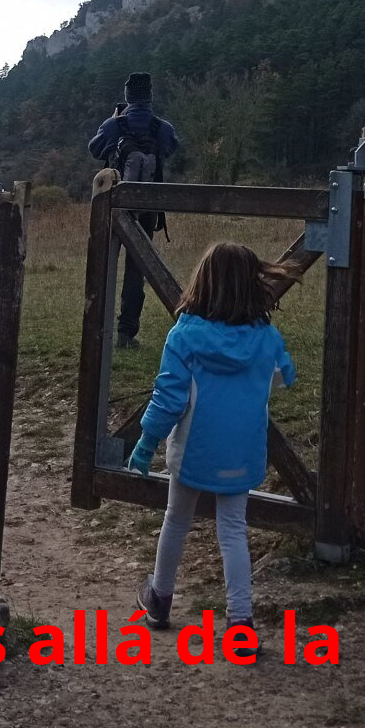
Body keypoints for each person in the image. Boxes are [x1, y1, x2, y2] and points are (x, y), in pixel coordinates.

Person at [127, 242, 298, 657]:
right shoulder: (267, 339)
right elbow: (285, 377)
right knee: (233, 531)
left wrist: (147, 442)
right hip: (241, 454)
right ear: (251, 286)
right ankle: (240, 624)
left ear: (203, 283)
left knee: (177, 519)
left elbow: (167, 399)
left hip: (192, 452)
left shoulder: (184, 336)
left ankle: (160, 598)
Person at [87, 72, 179, 348]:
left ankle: (96, 329)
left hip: (115, 204)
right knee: (136, 268)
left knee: (104, 264)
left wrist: (114, 121)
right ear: (150, 97)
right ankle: (127, 333)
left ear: (128, 97)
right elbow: (171, 149)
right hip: (147, 206)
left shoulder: (115, 124)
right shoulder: (162, 127)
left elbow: (94, 149)